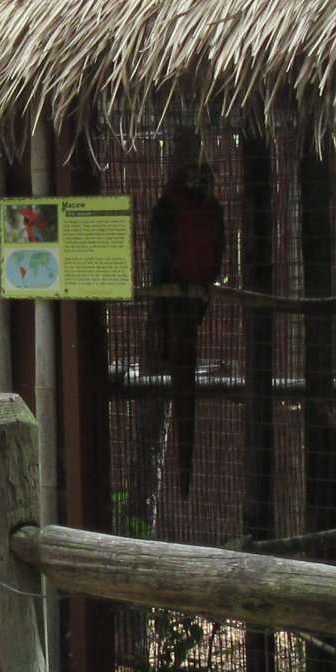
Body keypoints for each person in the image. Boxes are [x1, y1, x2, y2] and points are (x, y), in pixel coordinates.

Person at [143, 135, 224, 496]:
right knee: (180, 372)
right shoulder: (167, 208)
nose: (202, 186)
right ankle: (183, 474)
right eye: (195, 179)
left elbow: (216, 254)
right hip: (172, 290)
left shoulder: (213, 211)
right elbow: (160, 265)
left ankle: (186, 473)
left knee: (186, 373)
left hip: (195, 292)